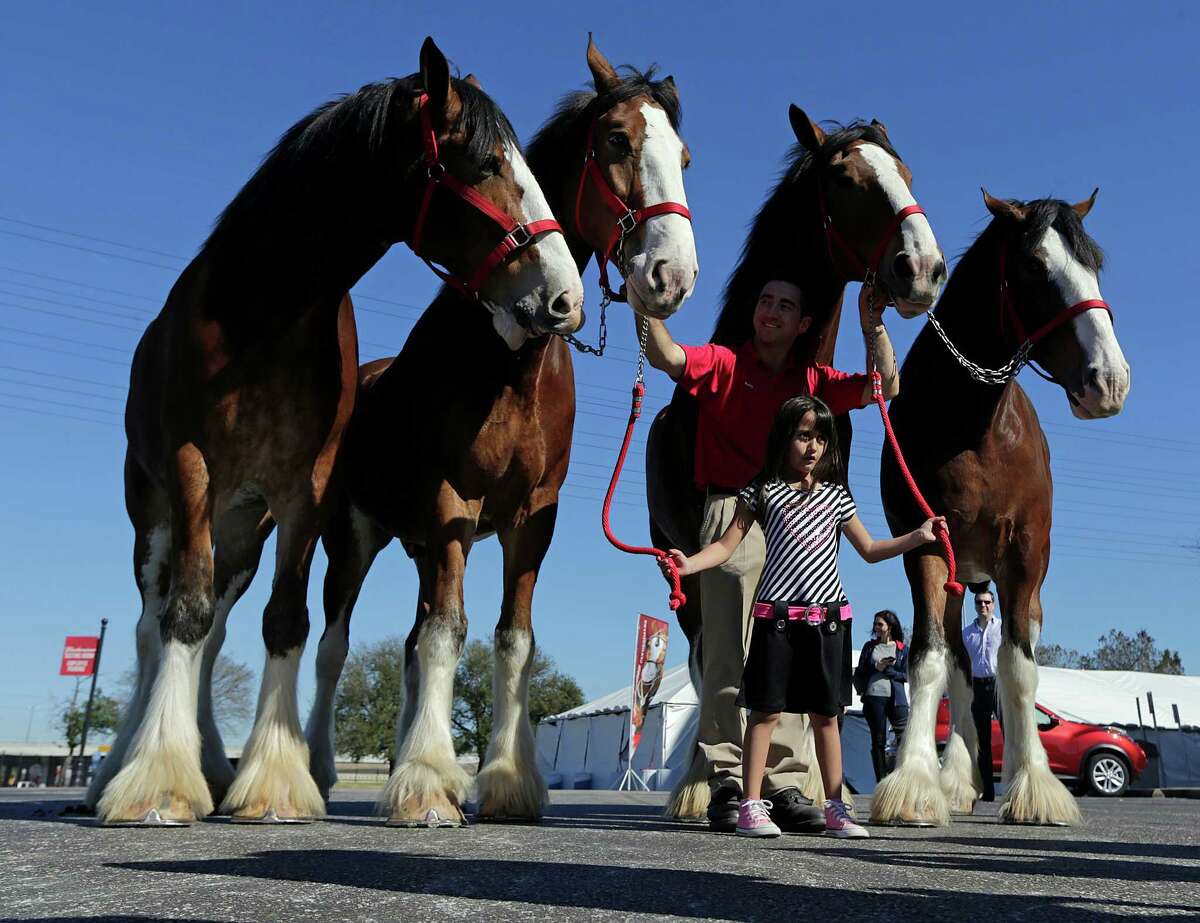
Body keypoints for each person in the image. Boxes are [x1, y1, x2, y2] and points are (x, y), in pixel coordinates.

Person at [644, 277, 900, 833]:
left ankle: (783, 785)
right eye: (765, 301)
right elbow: (664, 354)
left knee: (795, 654)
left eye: (786, 304)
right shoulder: (724, 362)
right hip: (733, 509)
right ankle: (729, 781)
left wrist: (872, 325)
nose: (772, 311)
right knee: (729, 650)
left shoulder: (810, 380)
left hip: (797, 517)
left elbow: (885, 386)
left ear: (802, 323)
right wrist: (647, 302)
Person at [664, 395, 945, 838]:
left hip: (828, 620)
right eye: (802, 436)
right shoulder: (761, 493)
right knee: (764, 711)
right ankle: (753, 805)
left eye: (820, 438)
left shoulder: (838, 498)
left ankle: (836, 807)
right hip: (776, 619)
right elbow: (726, 546)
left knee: (826, 716)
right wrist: (689, 565)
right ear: (783, 439)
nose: (812, 447)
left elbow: (870, 551)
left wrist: (918, 535)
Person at [853, 610, 909, 783]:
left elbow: (907, 675)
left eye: (880, 624)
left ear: (889, 626)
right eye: (875, 624)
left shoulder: (902, 648)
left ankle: (899, 778)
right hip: (874, 697)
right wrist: (875, 667)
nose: (876, 627)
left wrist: (890, 670)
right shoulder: (870, 647)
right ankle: (881, 779)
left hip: (896, 699)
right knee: (878, 740)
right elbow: (860, 670)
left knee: (904, 738)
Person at [963, 588, 1002, 801]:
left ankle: (1015, 788)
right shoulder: (967, 633)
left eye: (987, 602)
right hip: (977, 686)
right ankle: (988, 790)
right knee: (982, 741)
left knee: (1009, 734)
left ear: (993, 605)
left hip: (998, 685)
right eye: (979, 603)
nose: (983, 606)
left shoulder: (1002, 628)